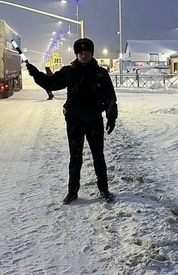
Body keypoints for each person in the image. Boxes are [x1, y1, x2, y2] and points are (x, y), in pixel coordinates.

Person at [26, 38, 118, 204]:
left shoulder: (100, 74)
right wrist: (35, 73)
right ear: (77, 54)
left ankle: (104, 189)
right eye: (81, 53)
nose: (84, 55)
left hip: (94, 120)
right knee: (75, 158)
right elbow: (52, 83)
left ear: (91, 53)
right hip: (75, 120)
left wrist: (111, 116)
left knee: (99, 156)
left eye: (87, 52)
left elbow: (110, 97)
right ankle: (72, 192)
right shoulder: (70, 72)